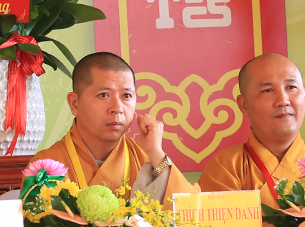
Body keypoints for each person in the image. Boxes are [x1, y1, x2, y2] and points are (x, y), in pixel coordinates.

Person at [200, 53, 305, 206]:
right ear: (244, 105)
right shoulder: (226, 169)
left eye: (291, 87)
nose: (283, 100)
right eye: (267, 90)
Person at [30, 52, 197, 201]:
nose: (117, 108)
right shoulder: (46, 167)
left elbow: (192, 215)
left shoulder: (147, 159)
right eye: (104, 95)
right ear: (75, 103)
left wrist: (156, 153)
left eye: (126, 96)